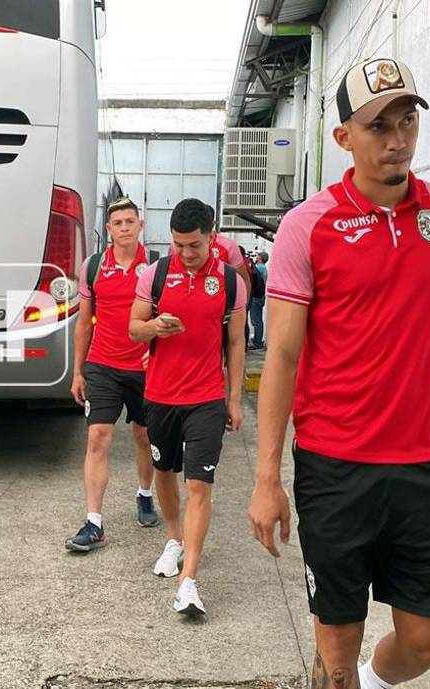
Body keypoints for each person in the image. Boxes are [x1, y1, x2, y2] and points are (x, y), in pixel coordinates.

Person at [247, 58, 430, 689]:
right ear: (345, 138)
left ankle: (368, 678)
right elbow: (280, 357)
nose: (397, 139)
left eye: (407, 120)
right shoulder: (308, 227)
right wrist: (266, 477)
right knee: (337, 652)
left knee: (426, 643)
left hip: (424, 465)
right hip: (336, 467)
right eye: (378, 125)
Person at [130, 197, 247, 616]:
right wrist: (155, 327)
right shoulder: (155, 275)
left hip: (207, 399)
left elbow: (235, 343)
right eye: (179, 244)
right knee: (165, 473)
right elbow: (134, 330)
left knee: (198, 486)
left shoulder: (231, 282)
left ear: (212, 236)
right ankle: (174, 539)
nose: (186, 253)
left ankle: (189, 581)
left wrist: (234, 399)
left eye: (194, 245)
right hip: (160, 396)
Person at [65, 197, 160, 552]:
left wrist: (158, 355)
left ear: (140, 225)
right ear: (108, 229)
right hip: (102, 365)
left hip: (145, 368)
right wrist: (77, 371)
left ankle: (145, 494)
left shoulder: (154, 267)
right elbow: (82, 325)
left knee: (144, 437)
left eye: (129, 221)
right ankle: (94, 522)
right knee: (97, 439)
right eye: (117, 222)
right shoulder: (93, 267)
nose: (124, 227)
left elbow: (166, 319)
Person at [249, 251, 268, 349]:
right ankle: (258, 340)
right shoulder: (263, 268)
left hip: (256, 296)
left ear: (260, 258)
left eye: (257, 255)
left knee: (256, 320)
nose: (255, 257)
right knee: (258, 319)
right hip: (261, 296)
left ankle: (257, 343)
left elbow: (252, 278)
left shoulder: (259, 268)